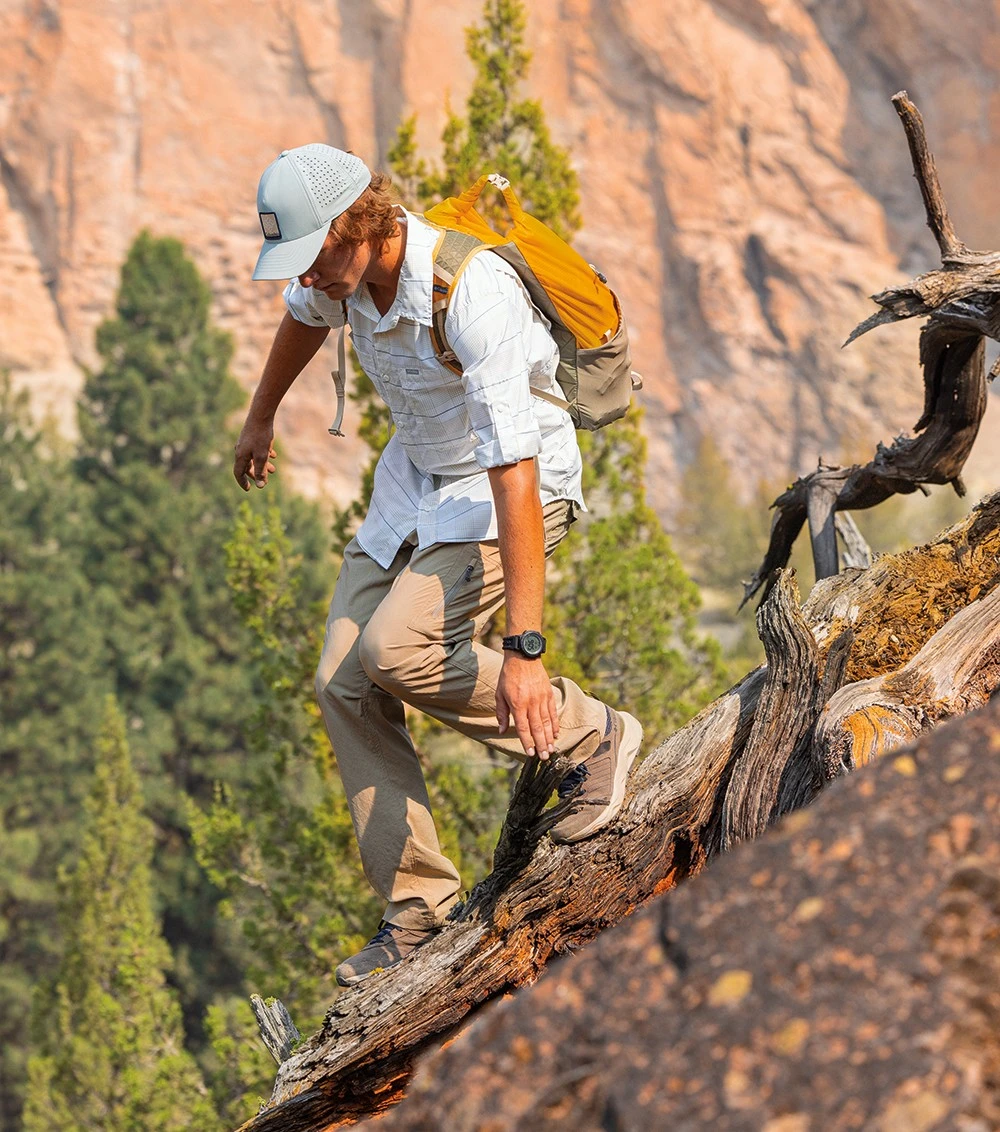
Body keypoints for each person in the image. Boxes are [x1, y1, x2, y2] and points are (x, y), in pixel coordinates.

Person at [234, 143, 642, 987]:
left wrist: (524, 654)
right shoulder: (333, 280)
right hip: (416, 486)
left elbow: (514, 472)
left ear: (358, 226)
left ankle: (591, 734)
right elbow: (299, 322)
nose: (305, 281)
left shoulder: (470, 292)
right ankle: (418, 909)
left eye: (312, 260)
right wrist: (260, 417)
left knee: (396, 648)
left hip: (513, 494)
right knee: (342, 681)